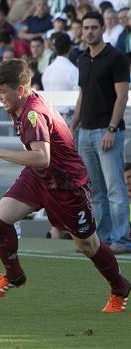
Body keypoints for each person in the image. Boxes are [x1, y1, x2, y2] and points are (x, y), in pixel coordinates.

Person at [0, 59, 130, 312]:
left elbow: (42, 157)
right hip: (39, 177)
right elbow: (40, 163)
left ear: (19, 90)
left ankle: (120, 288)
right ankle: (14, 274)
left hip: (68, 186)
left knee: (87, 244)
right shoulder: (19, 103)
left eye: (1, 90)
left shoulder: (33, 114)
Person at [71, 11, 131, 254]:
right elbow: (82, 95)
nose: (89, 31)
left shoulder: (116, 58)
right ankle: (103, 239)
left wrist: (111, 128)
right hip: (85, 133)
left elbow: (122, 96)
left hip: (108, 133)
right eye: (86, 28)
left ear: (102, 29)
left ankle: (122, 240)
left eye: (94, 27)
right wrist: (73, 125)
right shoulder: (83, 59)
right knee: (95, 192)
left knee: (116, 189)